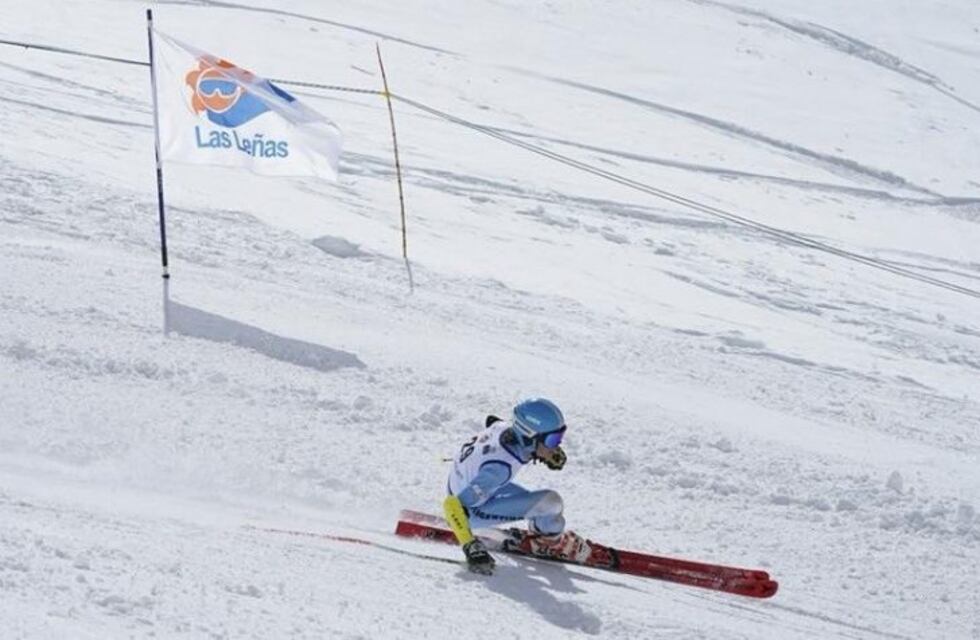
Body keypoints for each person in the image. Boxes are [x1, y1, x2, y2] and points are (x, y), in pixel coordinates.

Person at [442, 398, 594, 575]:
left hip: (471, 484)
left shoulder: (505, 428)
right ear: (530, 436)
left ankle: (542, 529)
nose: (558, 444)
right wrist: (470, 546)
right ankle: (549, 543)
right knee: (551, 503)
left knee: (539, 504)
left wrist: (547, 452)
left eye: (559, 437)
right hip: (471, 508)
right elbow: (453, 505)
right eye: (553, 440)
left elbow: (492, 421)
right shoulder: (499, 470)